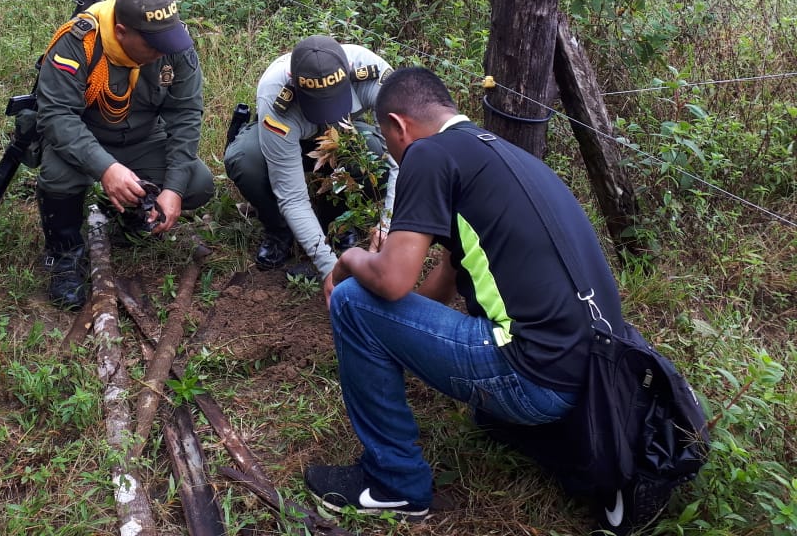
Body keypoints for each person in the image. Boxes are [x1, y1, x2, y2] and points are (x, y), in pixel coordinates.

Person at [304, 66, 625, 520]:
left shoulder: (427, 154)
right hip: (593, 375)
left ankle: (394, 483)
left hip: (533, 376)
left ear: (397, 126)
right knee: (373, 309)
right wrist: (392, 332)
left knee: (354, 302)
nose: (394, 155)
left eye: (388, 141)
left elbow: (392, 281)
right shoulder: (500, 153)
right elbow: (444, 279)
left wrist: (349, 260)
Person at [34, 0, 214, 310]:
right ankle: (64, 255)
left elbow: (185, 114)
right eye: (153, 44)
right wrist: (105, 168)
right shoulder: (79, 42)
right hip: (85, 138)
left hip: (144, 138)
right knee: (57, 176)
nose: (162, 51)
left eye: (166, 41)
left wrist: (173, 189)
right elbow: (57, 117)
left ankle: (133, 213)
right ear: (121, 32)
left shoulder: (173, 43)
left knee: (197, 183)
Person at [223, 35, 397, 292]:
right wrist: (329, 270)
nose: (325, 114)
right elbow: (292, 197)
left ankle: (335, 221)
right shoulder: (275, 93)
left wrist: (389, 225)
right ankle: (279, 230)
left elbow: (400, 160)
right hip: (284, 138)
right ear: (293, 80)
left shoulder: (373, 74)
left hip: (344, 133)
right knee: (245, 161)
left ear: (349, 70)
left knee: (374, 154)